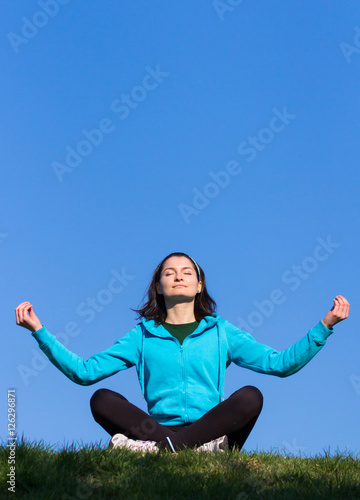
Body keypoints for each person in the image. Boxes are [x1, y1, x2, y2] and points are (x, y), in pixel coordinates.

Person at [15, 252, 350, 454]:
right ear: (159, 286)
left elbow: (280, 364)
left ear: (199, 285)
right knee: (101, 398)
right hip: (157, 428)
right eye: (169, 273)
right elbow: (84, 372)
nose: (178, 276)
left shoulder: (222, 332)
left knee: (251, 396)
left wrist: (325, 326)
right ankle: (174, 447)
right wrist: (39, 332)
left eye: (187, 272)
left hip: (214, 433)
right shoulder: (142, 336)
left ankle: (159, 452)